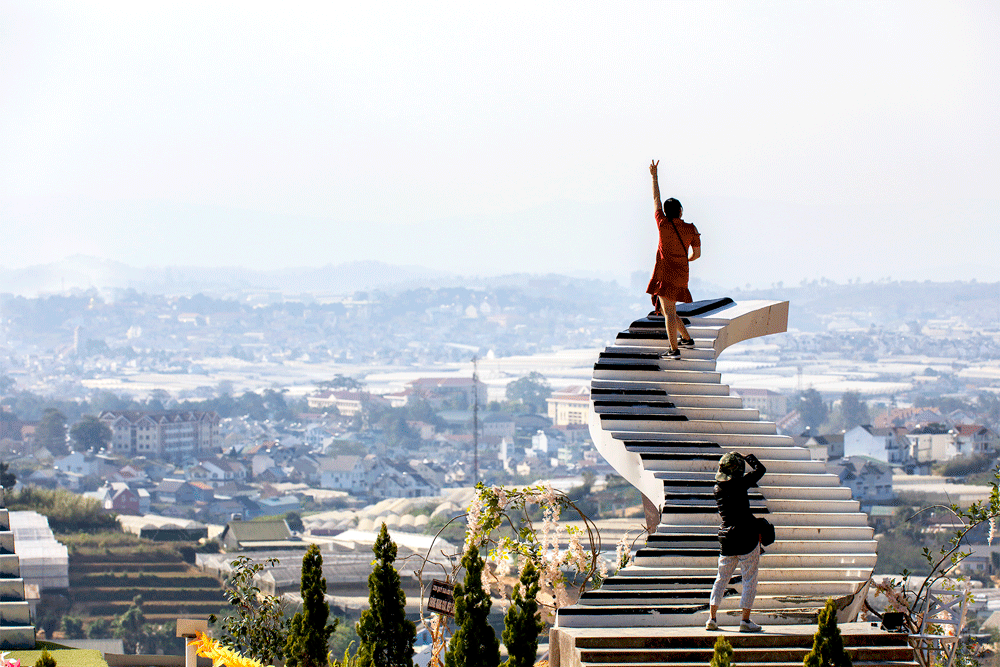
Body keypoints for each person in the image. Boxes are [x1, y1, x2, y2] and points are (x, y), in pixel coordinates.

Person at [646, 160, 701, 359]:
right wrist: (684, 259)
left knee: (668, 312)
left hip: (665, 273)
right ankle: (686, 339)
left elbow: (655, 198)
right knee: (670, 308)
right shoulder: (691, 229)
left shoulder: (662, 224)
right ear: (680, 211)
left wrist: (654, 176)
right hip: (682, 273)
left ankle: (674, 350)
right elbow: (696, 254)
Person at [706, 451, 766, 633]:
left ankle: (712, 618)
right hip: (746, 536)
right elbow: (761, 469)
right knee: (749, 579)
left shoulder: (717, 489)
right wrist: (749, 458)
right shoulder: (740, 483)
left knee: (721, 579)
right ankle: (745, 621)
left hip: (727, 538)